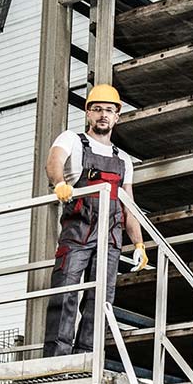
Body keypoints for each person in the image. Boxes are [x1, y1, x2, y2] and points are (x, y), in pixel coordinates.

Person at [42, 84, 148, 357]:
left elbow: (128, 205)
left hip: (110, 239)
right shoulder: (72, 140)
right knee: (65, 291)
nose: (103, 115)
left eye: (109, 111)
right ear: (88, 113)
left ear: (117, 117)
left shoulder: (123, 160)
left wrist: (138, 244)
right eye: (98, 109)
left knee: (100, 300)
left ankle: (86, 358)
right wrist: (58, 184)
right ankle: (56, 360)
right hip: (78, 231)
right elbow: (54, 161)